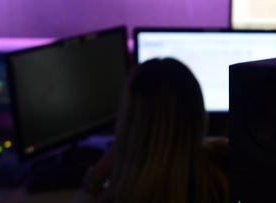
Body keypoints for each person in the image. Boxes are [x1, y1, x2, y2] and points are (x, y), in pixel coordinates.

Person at [77, 58, 228, 203]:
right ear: (199, 115)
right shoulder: (221, 182)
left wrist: (96, 177)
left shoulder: (123, 194)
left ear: (129, 121)